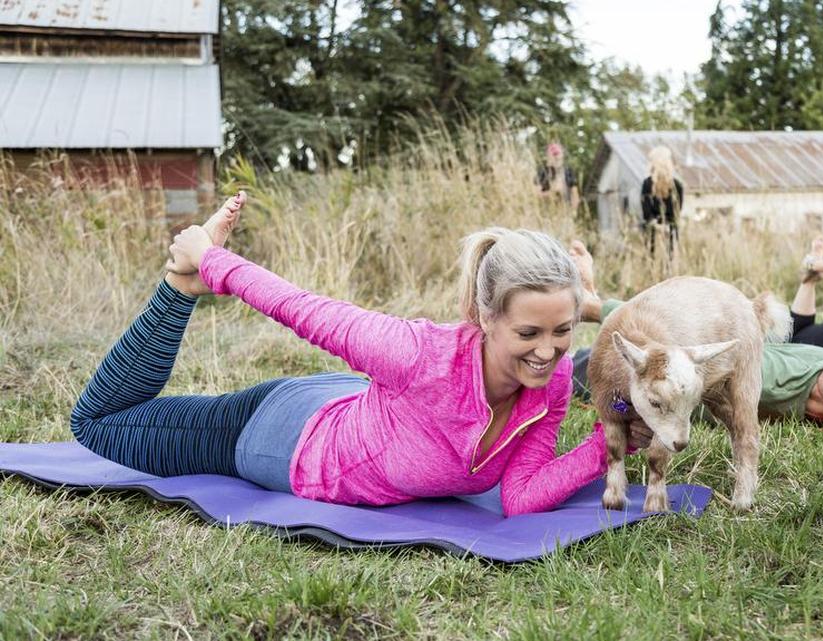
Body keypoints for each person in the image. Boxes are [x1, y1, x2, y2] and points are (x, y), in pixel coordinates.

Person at [69, 193, 615, 517]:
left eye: (563, 330)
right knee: (97, 424)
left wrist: (607, 445)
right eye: (528, 334)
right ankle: (176, 287)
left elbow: (519, 496)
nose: (548, 353)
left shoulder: (557, 378)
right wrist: (209, 261)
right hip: (286, 439)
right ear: (485, 316)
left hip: (364, 409)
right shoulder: (416, 355)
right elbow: (301, 308)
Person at [567, 241, 823, 426]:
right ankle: (591, 304)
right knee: (593, 386)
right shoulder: (769, 389)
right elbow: (677, 342)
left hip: (734, 347)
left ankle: (594, 301)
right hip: (624, 365)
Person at [640, 146, 683, 256]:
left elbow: (647, 215)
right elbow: (677, 213)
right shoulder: (678, 185)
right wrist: (666, 227)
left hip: (652, 236)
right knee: (671, 266)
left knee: (652, 265)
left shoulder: (647, 184)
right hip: (671, 234)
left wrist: (657, 226)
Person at [536, 142, 580, 211]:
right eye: (553, 155)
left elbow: (575, 195)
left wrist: (573, 211)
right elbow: (536, 194)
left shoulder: (568, 172)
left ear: (562, 155)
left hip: (565, 211)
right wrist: (552, 192)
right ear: (548, 157)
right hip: (547, 211)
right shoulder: (542, 172)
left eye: (558, 154)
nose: (556, 157)